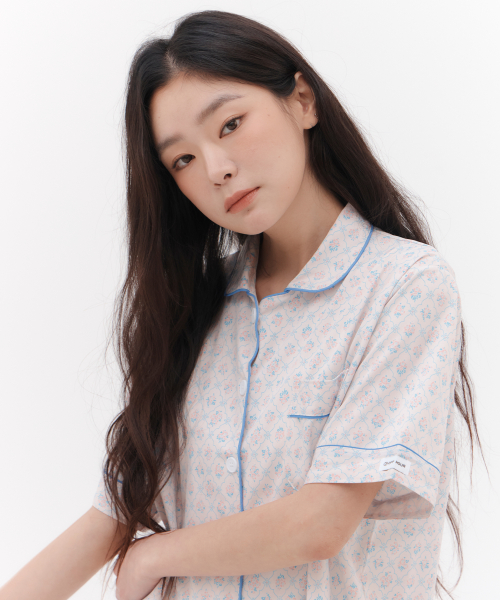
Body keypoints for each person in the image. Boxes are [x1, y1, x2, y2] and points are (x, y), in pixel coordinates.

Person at [0, 9, 483, 600]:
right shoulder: (198, 308)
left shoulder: (405, 287)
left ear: (302, 101)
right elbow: (111, 516)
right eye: (182, 160)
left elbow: (322, 522)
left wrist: (157, 555)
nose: (217, 169)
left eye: (230, 124)